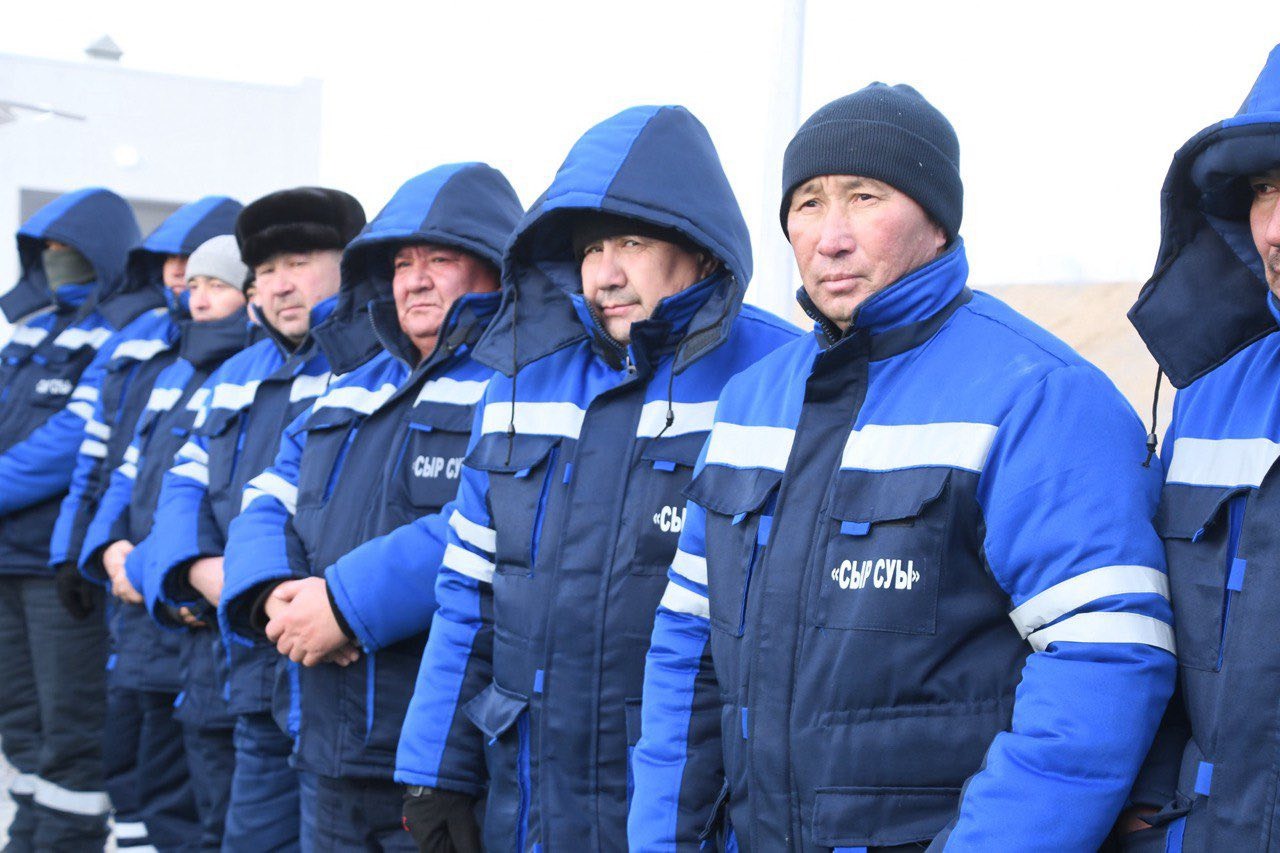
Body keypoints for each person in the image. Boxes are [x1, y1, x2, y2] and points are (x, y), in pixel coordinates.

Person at [630, 83, 1178, 851]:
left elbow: (1103, 658)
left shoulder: (1039, 396)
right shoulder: (753, 402)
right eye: (809, 203)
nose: (831, 236)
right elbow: (687, 644)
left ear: (937, 218)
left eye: (865, 197)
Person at [328, 105, 799, 851]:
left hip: (691, 806)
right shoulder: (522, 380)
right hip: (530, 799)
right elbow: (468, 590)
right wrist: (433, 768)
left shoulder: (781, 376)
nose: (606, 273)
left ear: (703, 250)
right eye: (590, 249)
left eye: (633, 243)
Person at [219, 163, 523, 851]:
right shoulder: (354, 382)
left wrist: (345, 604)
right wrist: (273, 593)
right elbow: (269, 494)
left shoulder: (521, 383)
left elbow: (499, 516)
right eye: (402, 263)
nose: (415, 280)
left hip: (441, 756)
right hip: (325, 736)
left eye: (440, 260)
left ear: (495, 266)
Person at [146, 186, 365, 851]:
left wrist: (254, 585)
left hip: (336, 668)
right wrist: (201, 571)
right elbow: (180, 487)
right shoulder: (236, 372)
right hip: (247, 664)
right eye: (265, 270)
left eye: (298, 263)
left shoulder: (371, 364)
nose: (280, 284)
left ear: (349, 263)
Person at [45, 195, 242, 851]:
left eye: (214, 281)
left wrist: (152, 568)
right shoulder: (171, 364)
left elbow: (209, 499)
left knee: (181, 797)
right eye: (186, 275)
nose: (193, 291)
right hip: (133, 603)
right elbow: (123, 470)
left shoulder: (242, 373)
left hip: (177, 614)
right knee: (131, 777)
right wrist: (100, 549)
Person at [1121, 43, 1280, 852]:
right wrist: (1151, 806)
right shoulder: (1212, 394)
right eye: (1263, 191)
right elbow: (1150, 626)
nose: (1274, 228)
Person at [0, 187, 141, 852]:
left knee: (71, 726)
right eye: (47, 250)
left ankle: (64, 840)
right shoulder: (30, 332)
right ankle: (30, 834)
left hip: (56, 569)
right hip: (6, 559)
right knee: (20, 722)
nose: (56, 259)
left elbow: (69, 444)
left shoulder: (118, 331)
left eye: (68, 249)